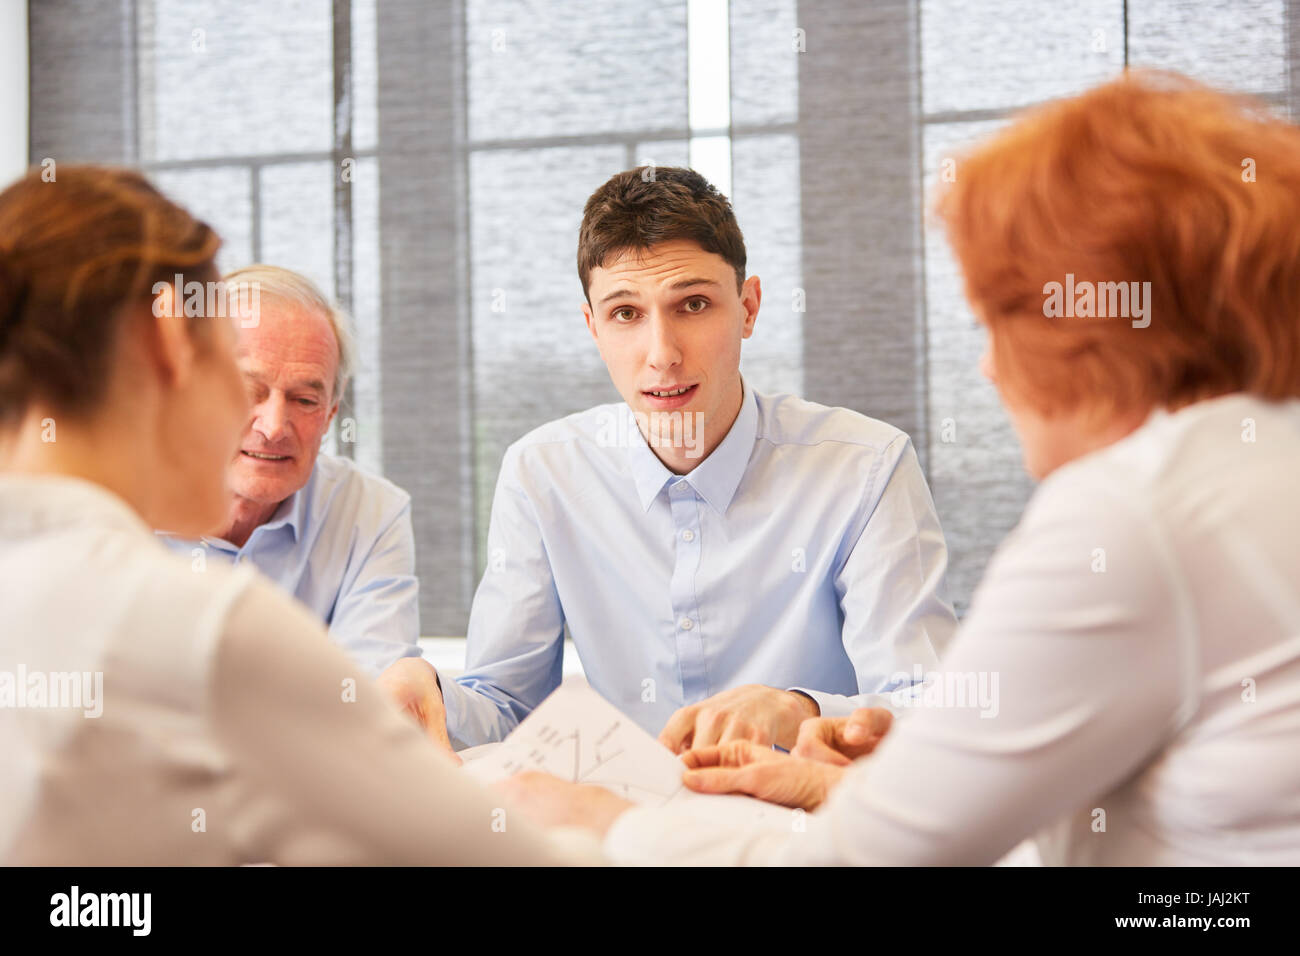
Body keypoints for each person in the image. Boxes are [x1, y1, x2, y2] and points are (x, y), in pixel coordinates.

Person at [495, 71, 1300, 865]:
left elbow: (872, 857)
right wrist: (835, 788)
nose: (987, 367)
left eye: (999, 318)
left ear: (1095, 325)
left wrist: (607, 825)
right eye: (626, 314)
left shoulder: (1131, 515)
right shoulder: (1258, 466)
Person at [0, 166, 591, 864]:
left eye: (305, 399)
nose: (267, 426)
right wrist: (608, 821)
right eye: (239, 376)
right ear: (169, 351)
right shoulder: (200, 621)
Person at [428, 166, 956, 751]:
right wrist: (426, 693)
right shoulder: (541, 474)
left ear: (749, 308)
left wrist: (795, 711)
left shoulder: (866, 469)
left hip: (801, 824)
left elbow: (925, 708)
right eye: (625, 314)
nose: (662, 355)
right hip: (625, 826)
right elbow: (508, 711)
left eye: (694, 304)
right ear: (594, 328)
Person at [156, 265, 449, 747]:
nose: (274, 425)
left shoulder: (371, 513)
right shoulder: (117, 499)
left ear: (331, 413)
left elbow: (369, 712)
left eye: (305, 399)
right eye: (250, 390)